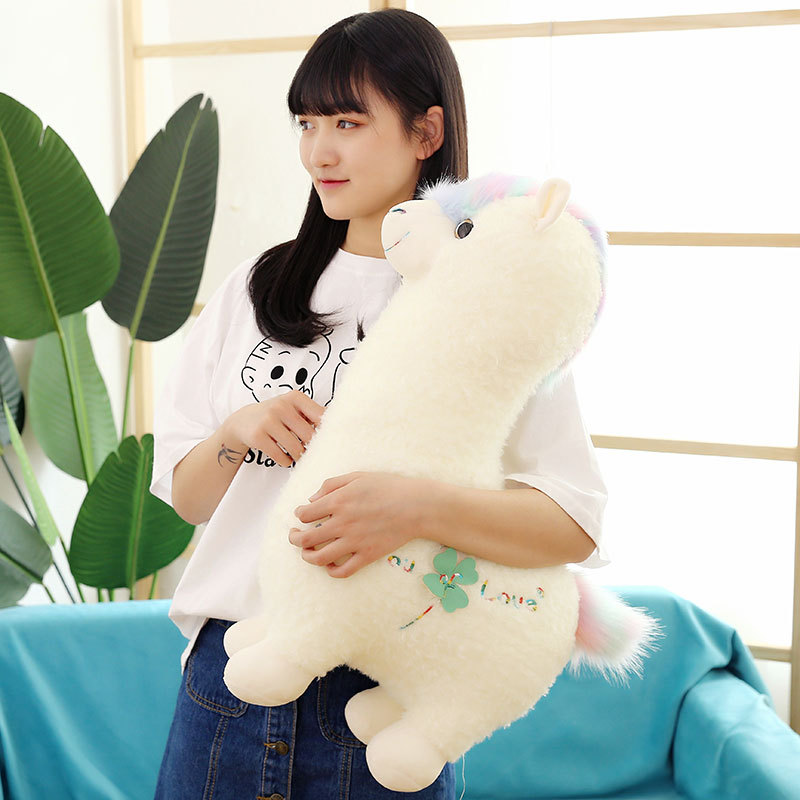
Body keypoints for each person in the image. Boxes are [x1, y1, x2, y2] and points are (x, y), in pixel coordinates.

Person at [149, 8, 610, 800]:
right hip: (233, 682)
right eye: (306, 123)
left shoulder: (493, 295)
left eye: (347, 122)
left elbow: (572, 523)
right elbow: (189, 501)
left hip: (386, 700)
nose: (318, 151)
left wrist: (414, 507)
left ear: (426, 131)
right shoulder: (255, 288)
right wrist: (237, 432)